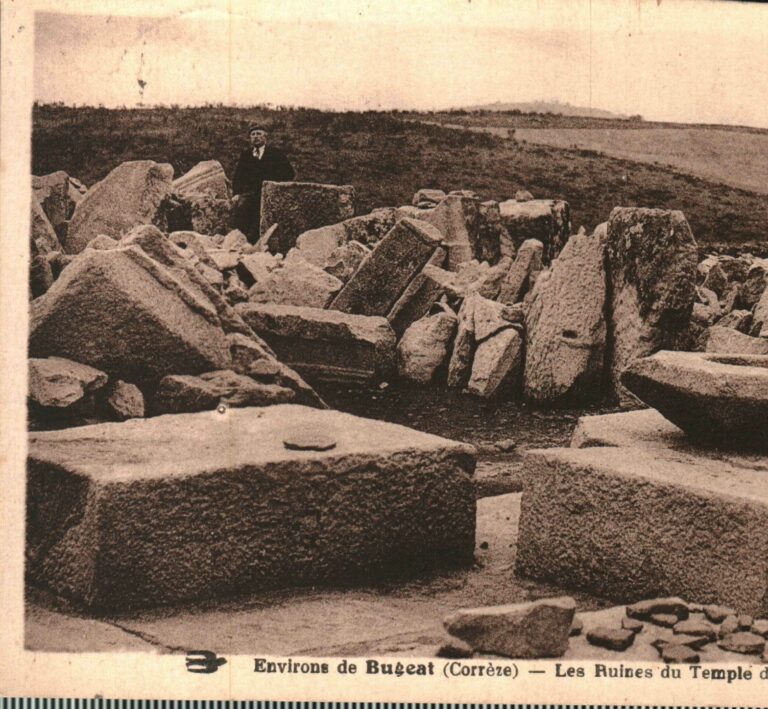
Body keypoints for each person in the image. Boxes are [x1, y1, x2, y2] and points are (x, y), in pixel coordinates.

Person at [231, 123, 295, 243]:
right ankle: (240, 241)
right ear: (250, 138)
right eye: (253, 134)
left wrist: (276, 186)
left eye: (259, 134)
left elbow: (289, 173)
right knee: (241, 209)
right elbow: (238, 176)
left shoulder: (275, 154)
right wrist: (237, 193)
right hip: (249, 193)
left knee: (263, 216)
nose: (256, 137)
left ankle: (258, 242)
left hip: (268, 193)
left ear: (265, 137)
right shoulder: (246, 155)